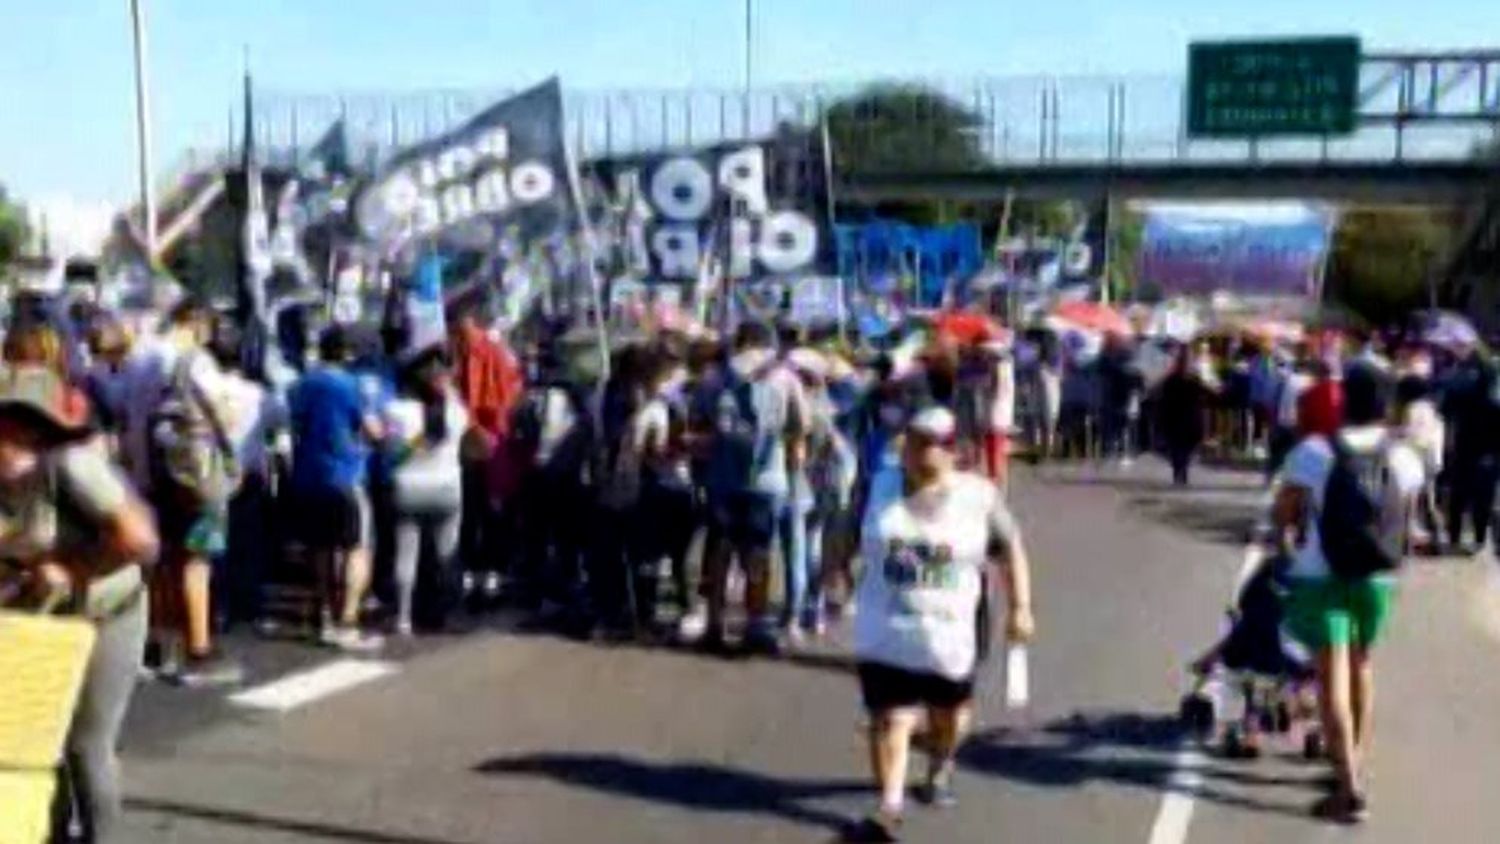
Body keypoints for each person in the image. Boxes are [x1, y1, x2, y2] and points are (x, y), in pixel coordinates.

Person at [846, 407, 1035, 842]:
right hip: (886, 628)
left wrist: (1021, 607)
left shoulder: (978, 497)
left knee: (947, 717)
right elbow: (848, 527)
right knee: (890, 718)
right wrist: (833, 565)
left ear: (955, 452)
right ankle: (889, 807)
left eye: (935, 444)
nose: (923, 453)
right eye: (917, 442)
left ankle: (940, 761)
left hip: (951, 631)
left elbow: (1011, 549)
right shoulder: (879, 486)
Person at [0, 364, 159, 842]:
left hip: (106, 616)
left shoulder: (71, 467)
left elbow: (141, 541)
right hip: (43, 622)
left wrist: (70, 569)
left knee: (87, 746)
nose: (12, 435)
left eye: (24, 424)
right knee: (34, 744)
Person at [1272, 365, 1423, 823]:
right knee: (1362, 664)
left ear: (1344, 401)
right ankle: (1354, 757)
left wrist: (1287, 546)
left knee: (1330, 671)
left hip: (1322, 574)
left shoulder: (1314, 452)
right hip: (1377, 579)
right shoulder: (1405, 457)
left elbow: (1286, 513)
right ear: (1388, 406)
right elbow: (1407, 523)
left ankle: (1349, 785)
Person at [139, 298, 243, 685]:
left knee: (168, 561)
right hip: (201, 474)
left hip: (165, 471)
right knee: (198, 560)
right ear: (196, 322)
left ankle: (164, 647)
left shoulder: (150, 359)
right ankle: (198, 650)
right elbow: (225, 414)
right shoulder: (195, 362)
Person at [700, 322, 807, 654]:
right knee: (758, 554)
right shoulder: (785, 377)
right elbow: (799, 430)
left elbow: (699, 425)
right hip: (767, 480)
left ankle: (715, 623)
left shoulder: (716, 377)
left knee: (721, 552)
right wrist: (794, 476)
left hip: (722, 478)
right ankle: (756, 625)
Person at [288, 326, 385, 652]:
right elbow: (371, 429)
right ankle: (348, 620)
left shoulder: (302, 384)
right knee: (357, 548)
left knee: (320, 548)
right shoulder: (352, 385)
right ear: (347, 353)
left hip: (307, 474)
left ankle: (325, 617)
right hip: (345, 475)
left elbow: (294, 423)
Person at [385, 347, 468, 636]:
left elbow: (390, 453)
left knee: (406, 554)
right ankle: (452, 615)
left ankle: (403, 618)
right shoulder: (456, 412)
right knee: (448, 554)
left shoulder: (396, 410)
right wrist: (449, 391)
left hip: (408, 487)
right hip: (447, 488)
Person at [1157, 346, 1212, 486]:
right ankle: (1182, 471)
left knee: (1178, 448)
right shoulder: (1194, 379)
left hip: (1177, 418)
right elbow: (1205, 397)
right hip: (1189, 419)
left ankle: (1179, 472)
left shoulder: (1171, 379)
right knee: (1184, 448)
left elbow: (1163, 399)